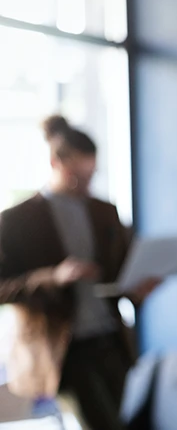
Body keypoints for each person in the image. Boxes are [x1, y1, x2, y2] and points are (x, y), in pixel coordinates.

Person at [0, 115, 159, 430]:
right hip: (64, 350)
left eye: (91, 176)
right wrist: (53, 277)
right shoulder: (16, 221)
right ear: (55, 163)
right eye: (77, 177)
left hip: (112, 340)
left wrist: (136, 288)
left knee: (137, 422)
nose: (86, 185)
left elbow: (121, 272)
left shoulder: (104, 211)